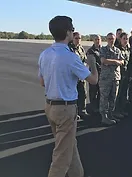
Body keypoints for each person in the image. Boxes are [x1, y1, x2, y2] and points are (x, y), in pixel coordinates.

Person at [38, 16, 98, 177]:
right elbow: (93, 80)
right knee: (61, 158)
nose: (73, 32)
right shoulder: (71, 57)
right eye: (72, 29)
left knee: (69, 146)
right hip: (65, 109)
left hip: (50, 106)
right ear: (67, 32)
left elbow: (42, 81)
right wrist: (93, 63)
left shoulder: (44, 54)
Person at [99, 32, 124, 125]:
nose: (111, 40)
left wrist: (114, 62)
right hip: (106, 78)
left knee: (113, 97)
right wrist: (115, 61)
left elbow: (122, 62)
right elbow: (103, 61)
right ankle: (104, 116)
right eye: (109, 38)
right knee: (104, 97)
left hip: (116, 77)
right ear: (106, 40)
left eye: (112, 38)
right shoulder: (103, 49)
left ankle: (110, 114)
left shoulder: (118, 50)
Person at [68, 32, 89, 118]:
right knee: (74, 95)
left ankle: (82, 110)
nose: (78, 40)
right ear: (72, 39)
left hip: (81, 76)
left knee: (83, 93)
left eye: (79, 38)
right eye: (76, 38)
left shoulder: (81, 48)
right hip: (73, 76)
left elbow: (85, 60)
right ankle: (74, 113)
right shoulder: (69, 49)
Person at [114, 32, 131, 118]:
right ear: (120, 39)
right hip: (118, 74)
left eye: (127, 39)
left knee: (124, 93)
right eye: (124, 38)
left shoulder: (128, 49)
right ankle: (116, 111)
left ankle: (121, 110)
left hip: (126, 74)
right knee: (118, 94)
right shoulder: (117, 49)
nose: (125, 40)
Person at [86, 34, 102, 113]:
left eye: (98, 39)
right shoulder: (90, 51)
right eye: (96, 39)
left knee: (100, 90)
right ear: (93, 40)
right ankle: (93, 107)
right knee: (93, 91)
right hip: (93, 72)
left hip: (102, 73)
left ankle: (99, 105)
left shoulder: (103, 49)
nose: (97, 41)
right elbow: (91, 62)